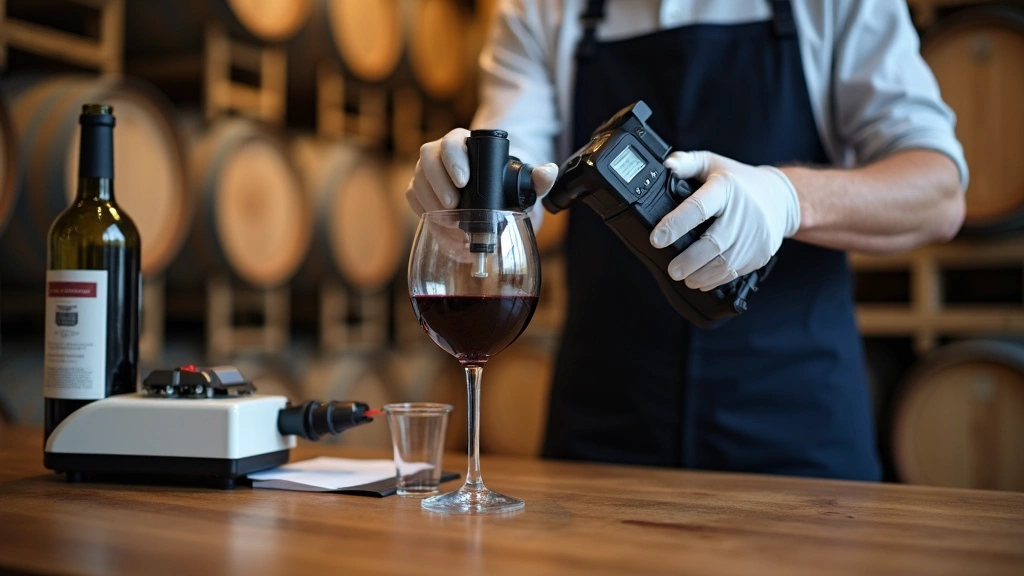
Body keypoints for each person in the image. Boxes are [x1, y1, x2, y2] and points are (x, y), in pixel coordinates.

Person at [405, 0, 967, 482]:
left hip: (797, 430)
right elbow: (520, 166)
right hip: (603, 430)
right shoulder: (545, 6)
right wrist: (470, 194)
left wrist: (787, 198)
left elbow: (938, 193)